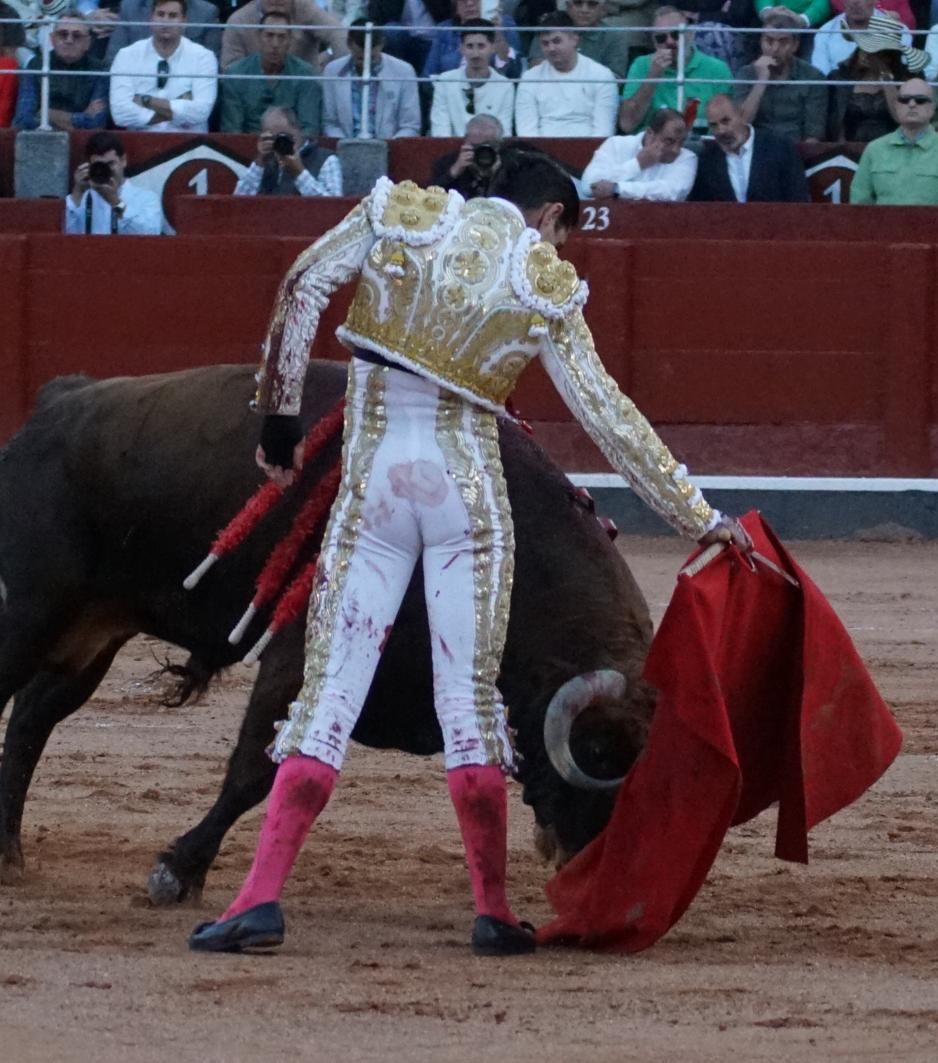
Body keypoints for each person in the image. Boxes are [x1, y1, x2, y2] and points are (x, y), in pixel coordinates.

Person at [186, 145, 748, 957]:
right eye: (562, 233)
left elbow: (303, 285)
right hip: (465, 495)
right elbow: (608, 415)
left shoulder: (399, 213)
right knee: (469, 701)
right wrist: (698, 515)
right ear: (549, 215)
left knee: (329, 693)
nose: (558, 248)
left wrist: (278, 424)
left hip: (377, 486)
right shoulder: (540, 278)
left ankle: (259, 899)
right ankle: (492, 910)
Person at [849, 77, 938, 204]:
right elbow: (859, 203)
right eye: (904, 100)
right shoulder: (874, 150)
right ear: (896, 106)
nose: (912, 104)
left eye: (920, 100)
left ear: (932, 107)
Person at [109, 0, 219, 130]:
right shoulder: (127, 55)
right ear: (151, 19)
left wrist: (146, 100)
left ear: (184, 21)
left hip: (189, 140)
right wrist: (180, 107)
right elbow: (120, 114)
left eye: (173, 16)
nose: (165, 22)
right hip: (142, 139)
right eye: (160, 14)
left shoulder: (204, 57)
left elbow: (201, 113)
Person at [619, 7, 732, 133]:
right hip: (651, 142)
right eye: (661, 38)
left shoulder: (717, 69)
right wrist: (653, 76)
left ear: (690, 34)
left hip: (700, 141)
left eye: (676, 34)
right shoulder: (641, 65)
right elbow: (627, 125)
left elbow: (729, 124)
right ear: (654, 42)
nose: (670, 42)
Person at [689, 93, 809, 202]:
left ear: (741, 115)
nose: (721, 131)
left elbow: (798, 198)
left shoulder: (779, 147)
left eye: (726, 121)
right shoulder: (707, 159)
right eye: (714, 125)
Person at [218, 9, 323, 133]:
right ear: (258, 37)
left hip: (292, 142)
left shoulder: (305, 75)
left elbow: (309, 128)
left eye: (282, 37)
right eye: (269, 35)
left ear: (290, 40)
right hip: (248, 142)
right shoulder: (236, 75)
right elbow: (232, 130)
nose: (275, 44)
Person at [515, 11, 618, 136]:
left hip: (590, 146)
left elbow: (603, 131)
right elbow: (526, 131)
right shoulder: (529, 78)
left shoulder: (602, 76)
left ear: (574, 39)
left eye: (557, 41)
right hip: (541, 147)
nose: (551, 48)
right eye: (545, 43)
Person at [731, 10, 828, 143]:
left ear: (795, 45)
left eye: (783, 42)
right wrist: (761, 81)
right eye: (769, 41)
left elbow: (813, 135)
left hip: (795, 148)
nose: (775, 48)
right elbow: (740, 125)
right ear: (761, 41)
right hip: (755, 148)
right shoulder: (746, 74)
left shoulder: (813, 77)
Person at [825, 15, 926, 142]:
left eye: (871, 51)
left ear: (888, 56)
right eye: (863, 47)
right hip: (849, 148)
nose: (864, 55)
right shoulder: (840, 77)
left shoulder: (910, 78)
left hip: (896, 147)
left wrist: (886, 78)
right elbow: (833, 124)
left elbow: (903, 119)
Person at [322, 20, 421, 137]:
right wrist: (343, 144)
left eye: (371, 58)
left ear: (382, 44)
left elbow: (410, 125)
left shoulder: (404, 71)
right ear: (349, 44)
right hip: (344, 145)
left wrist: (390, 145)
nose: (366, 64)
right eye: (360, 58)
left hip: (391, 145)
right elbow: (330, 123)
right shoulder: (332, 71)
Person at [15, 10, 109, 129]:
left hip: (84, 139)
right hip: (40, 137)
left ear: (88, 43)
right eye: (63, 34)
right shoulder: (36, 65)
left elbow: (97, 122)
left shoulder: (99, 69)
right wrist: (80, 118)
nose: (69, 40)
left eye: (77, 36)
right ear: (52, 39)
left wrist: (46, 113)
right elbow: (23, 120)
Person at [582, 105, 698, 200]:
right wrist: (637, 164)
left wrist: (618, 189)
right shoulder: (616, 144)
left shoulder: (687, 158)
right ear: (650, 133)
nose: (676, 150)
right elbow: (588, 186)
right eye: (669, 141)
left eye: (681, 142)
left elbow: (671, 192)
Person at [65, 130, 169, 233]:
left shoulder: (146, 198)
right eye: (99, 165)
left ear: (123, 161)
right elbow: (63, 233)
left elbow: (151, 233)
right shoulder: (81, 199)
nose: (106, 170)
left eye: (110, 164)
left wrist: (115, 202)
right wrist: (77, 192)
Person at [430, 17, 516, 134]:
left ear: (493, 47)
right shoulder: (444, 81)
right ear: (461, 48)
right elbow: (440, 132)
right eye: (470, 46)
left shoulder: (505, 86)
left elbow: (504, 133)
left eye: (481, 46)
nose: (475, 54)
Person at [236, 104, 343, 196]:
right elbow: (239, 201)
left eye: (284, 136)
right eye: (273, 138)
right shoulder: (266, 162)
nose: (280, 143)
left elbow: (333, 205)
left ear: (298, 130)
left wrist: (299, 173)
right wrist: (259, 163)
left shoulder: (326, 160)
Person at [221, 0, 347, 69]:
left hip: (303, 92)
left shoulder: (306, 8)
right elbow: (229, 68)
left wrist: (343, 73)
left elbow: (338, 34)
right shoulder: (238, 21)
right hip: (253, 97)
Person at [525, 0, 628, 79]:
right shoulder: (549, 28)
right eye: (578, 3)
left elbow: (615, 78)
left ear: (603, 10)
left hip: (594, 95)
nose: (584, 10)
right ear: (567, 6)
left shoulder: (615, 36)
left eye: (592, 4)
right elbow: (535, 67)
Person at [423, 0, 521, 78]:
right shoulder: (444, 29)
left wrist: (498, 34)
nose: (469, 3)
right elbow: (428, 75)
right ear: (456, 7)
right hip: (450, 91)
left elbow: (514, 72)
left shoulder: (503, 24)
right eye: (463, 1)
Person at [811, 0, 911, 74]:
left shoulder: (899, 31)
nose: (855, 2)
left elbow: (902, 75)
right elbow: (821, 77)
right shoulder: (825, 33)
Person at [105, 0, 222, 63]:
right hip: (137, 84)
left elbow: (211, 63)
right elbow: (113, 58)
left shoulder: (207, 12)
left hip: (185, 87)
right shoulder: (129, 7)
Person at [428, 112, 502, 196]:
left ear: (499, 144)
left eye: (487, 146)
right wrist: (453, 172)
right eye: (475, 146)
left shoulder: (510, 165)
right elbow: (429, 197)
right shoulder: (446, 163)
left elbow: (511, 200)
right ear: (466, 141)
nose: (482, 153)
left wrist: (496, 176)